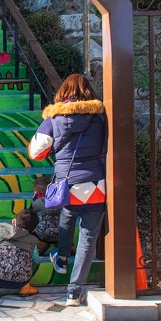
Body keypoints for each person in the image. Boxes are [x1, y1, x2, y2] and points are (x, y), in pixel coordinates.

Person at [28, 73, 107, 307]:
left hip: (67, 183)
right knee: (88, 238)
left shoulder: (53, 118)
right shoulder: (100, 116)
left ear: (63, 93)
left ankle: (61, 258)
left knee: (68, 214)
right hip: (96, 182)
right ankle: (74, 291)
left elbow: (36, 152)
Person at [0, 208, 41, 297]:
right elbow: (36, 260)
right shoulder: (32, 241)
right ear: (34, 229)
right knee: (29, 260)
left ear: (13, 222)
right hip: (22, 281)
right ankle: (25, 287)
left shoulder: (3, 234)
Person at [30, 177, 61, 254]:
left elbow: (29, 217)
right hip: (60, 235)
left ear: (36, 192)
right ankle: (70, 247)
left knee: (27, 223)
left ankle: (39, 246)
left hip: (42, 236)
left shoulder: (35, 203)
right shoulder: (60, 202)